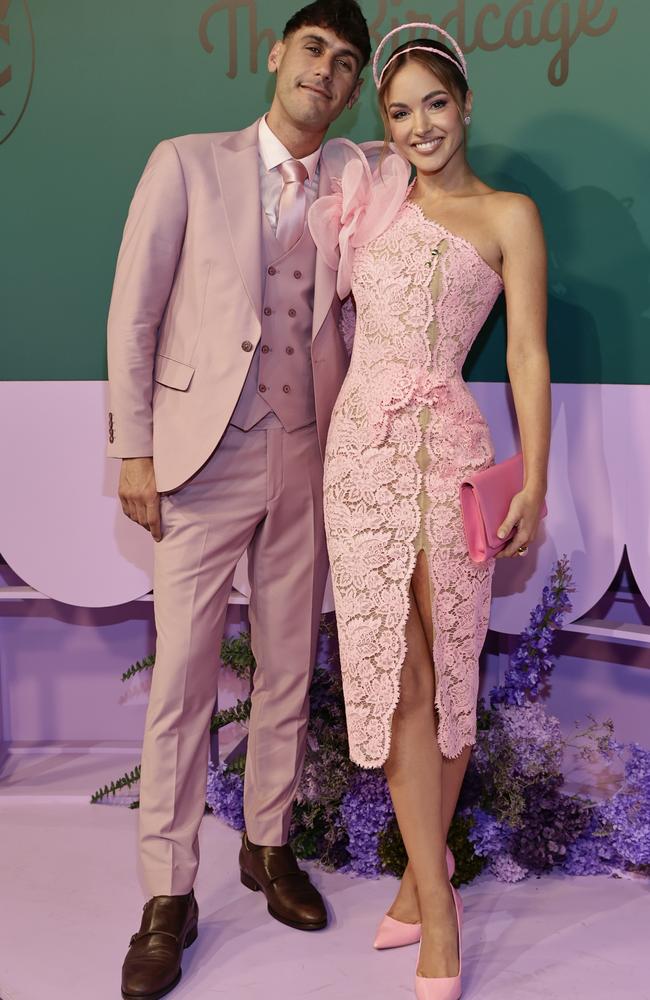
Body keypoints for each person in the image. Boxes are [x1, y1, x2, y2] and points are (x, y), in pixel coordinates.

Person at [106, 3, 371, 998]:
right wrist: (133, 449)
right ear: (276, 53)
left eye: (344, 64)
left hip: (303, 450)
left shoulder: (351, 179)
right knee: (179, 677)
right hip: (198, 458)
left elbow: (420, 138)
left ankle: (266, 843)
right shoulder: (186, 161)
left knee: (286, 666)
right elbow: (133, 311)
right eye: (314, 50)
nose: (325, 72)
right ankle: (166, 893)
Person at [309, 23, 550, 1000]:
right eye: (398, 111)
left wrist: (533, 473)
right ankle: (440, 914)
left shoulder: (507, 215)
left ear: (463, 103)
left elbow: (526, 352)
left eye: (433, 104)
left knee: (453, 658)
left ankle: (420, 872)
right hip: (360, 451)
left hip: (452, 447)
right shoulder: (366, 202)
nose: (418, 126)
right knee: (397, 669)